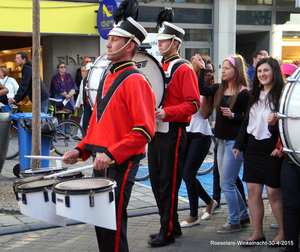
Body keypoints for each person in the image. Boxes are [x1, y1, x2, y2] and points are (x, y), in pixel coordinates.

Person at [62, 1, 156, 251]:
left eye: (115, 40)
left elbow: (145, 130)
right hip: (101, 160)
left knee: (112, 224)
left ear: (130, 46)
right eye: (110, 39)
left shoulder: (136, 80)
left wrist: (112, 154)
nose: (108, 43)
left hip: (120, 162)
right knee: (101, 222)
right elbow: (97, 121)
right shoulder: (107, 75)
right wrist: (81, 150)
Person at [148, 8, 201, 247]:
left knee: (168, 183)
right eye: (158, 40)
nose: (159, 43)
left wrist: (167, 112)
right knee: (157, 180)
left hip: (174, 131)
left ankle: (167, 230)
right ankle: (171, 225)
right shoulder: (158, 66)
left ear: (175, 43)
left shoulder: (184, 68)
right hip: (156, 131)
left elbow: (193, 104)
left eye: (163, 40)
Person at [233, 57, 285, 245]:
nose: (262, 74)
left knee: (273, 194)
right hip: (253, 148)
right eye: (260, 71)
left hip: (272, 148)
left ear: (275, 72)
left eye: (266, 71)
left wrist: (280, 145)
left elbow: (288, 125)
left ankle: (283, 233)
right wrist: (239, 145)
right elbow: (247, 121)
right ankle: (257, 233)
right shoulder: (254, 94)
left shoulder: (282, 95)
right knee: (253, 192)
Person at [196, 53, 250, 233]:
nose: (223, 71)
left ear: (236, 70)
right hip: (219, 142)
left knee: (226, 183)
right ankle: (243, 215)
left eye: (227, 68)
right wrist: (202, 68)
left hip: (234, 143)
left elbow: (249, 120)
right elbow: (201, 89)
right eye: (222, 68)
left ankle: (234, 221)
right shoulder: (219, 88)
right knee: (229, 182)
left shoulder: (244, 93)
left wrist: (233, 116)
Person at [180, 56, 217, 229]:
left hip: (201, 136)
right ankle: (209, 202)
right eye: (205, 71)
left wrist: (203, 89)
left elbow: (204, 114)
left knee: (188, 174)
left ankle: (194, 215)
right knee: (186, 174)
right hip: (186, 134)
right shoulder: (187, 85)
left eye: (210, 72)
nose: (209, 74)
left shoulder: (210, 91)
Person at [74, 65, 92, 135]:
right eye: (82, 71)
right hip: (85, 103)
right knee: (84, 120)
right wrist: (77, 104)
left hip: (88, 103)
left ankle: (81, 134)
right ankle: (81, 134)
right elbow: (81, 93)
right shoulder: (83, 80)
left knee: (85, 120)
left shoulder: (86, 80)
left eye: (84, 71)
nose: (83, 73)